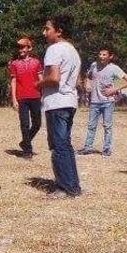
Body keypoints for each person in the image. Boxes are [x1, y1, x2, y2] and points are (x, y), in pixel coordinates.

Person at [37, 15, 82, 198]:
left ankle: (65, 187)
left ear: (59, 31)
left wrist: (39, 83)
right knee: (65, 145)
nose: (44, 32)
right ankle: (73, 185)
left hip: (56, 103)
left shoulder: (54, 49)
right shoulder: (73, 51)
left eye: (48, 28)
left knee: (58, 146)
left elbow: (54, 79)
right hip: (69, 101)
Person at [78, 47, 127, 157]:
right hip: (94, 101)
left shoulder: (114, 68)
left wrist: (114, 89)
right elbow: (89, 76)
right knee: (91, 125)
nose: (101, 57)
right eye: (100, 54)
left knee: (107, 126)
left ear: (110, 57)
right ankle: (88, 147)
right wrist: (88, 84)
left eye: (104, 55)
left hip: (108, 102)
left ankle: (107, 149)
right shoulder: (94, 65)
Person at [8, 37, 42, 157]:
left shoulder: (36, 62)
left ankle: (24, 142)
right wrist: (14, 99)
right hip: (22, 97)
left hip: (36, 96)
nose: (20, 49)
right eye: (19, 47)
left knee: (37, 123)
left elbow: (41, 79)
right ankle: (28, 151)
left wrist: (43, 93)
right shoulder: (14, 64)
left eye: (23, 47)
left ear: (29, 48)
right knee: (25, 124)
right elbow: (13, 81)